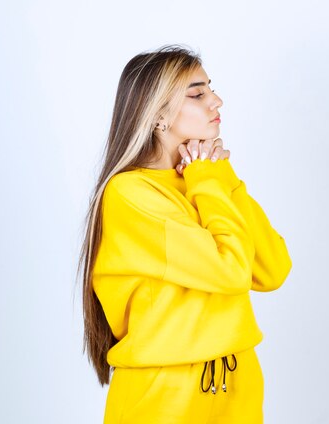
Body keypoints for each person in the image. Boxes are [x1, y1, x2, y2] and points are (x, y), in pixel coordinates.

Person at [78, 44, 292, 424]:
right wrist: (209, 180)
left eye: (211, 88)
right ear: (157, 114)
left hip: (237, 376)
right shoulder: (129, 194)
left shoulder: (202, 179)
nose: (217, 101)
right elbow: (231, 271)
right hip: (168, 390)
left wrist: (219, 177)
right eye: (197, 93)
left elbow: (272, 269)